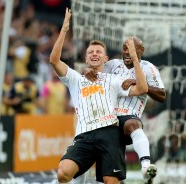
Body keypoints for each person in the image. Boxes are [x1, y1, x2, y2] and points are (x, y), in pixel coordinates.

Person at [50, 8, 148, 184]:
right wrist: (64, 31)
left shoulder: (115, 80)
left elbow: (141, 89)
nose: (94, 54)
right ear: (86, 59)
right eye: (90, 52)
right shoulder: (76, 79)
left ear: (106, 59)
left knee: (111, 181)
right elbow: (54, 60)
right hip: (84, 135)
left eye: (98, 52)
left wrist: (134, 59)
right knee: (63, 173)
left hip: (109, 133)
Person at [83, 36, 166, 184]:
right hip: (108, 120)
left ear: (141, 50)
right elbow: (95, 70)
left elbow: (161, 95)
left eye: (132, 48)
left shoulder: (149, 68)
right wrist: (90, 71)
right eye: (125, 48)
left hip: (129, 117)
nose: (127, 52)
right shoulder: (113, 65)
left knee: (132, 124)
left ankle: (146, 166)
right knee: (108, 178)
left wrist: (139, 81)